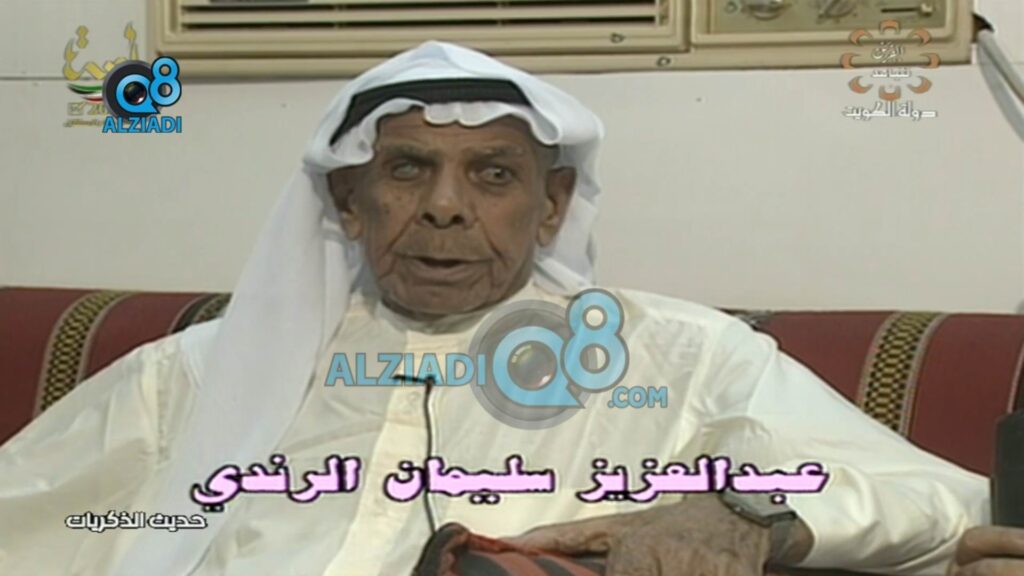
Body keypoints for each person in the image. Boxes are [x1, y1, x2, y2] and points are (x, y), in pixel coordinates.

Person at [0, 41, 1020, 576]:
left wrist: (746, 512)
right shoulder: (191, 378)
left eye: (492, 174)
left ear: (553, 205)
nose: (445, 207)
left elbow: (947, 507)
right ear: (349, 202)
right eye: (408, 169)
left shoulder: (678, 360)